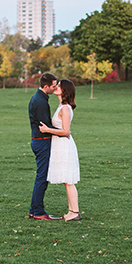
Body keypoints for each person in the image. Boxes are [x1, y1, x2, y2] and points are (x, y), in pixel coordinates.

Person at [39, 79, 81, 221]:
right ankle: (71, 211)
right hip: (59, 145)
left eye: (59, 86)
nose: (56, 87)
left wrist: (46, 130)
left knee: (69, 180)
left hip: (64, 146)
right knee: (66, 180)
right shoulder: (61, 106)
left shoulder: (65, 108)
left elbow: (66, 132)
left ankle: (75, 212)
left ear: (65, 91)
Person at [28, 72, 62, 220]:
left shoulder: (38, 98)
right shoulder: (41, 102)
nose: (55, 88)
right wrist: (63, 132)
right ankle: (39, 212)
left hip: (38, 141)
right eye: (53, 86)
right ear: (46, 86)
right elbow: (45, 125)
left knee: (41, 176)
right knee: (42, 177)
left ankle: (34, 209)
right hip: (42, 142)